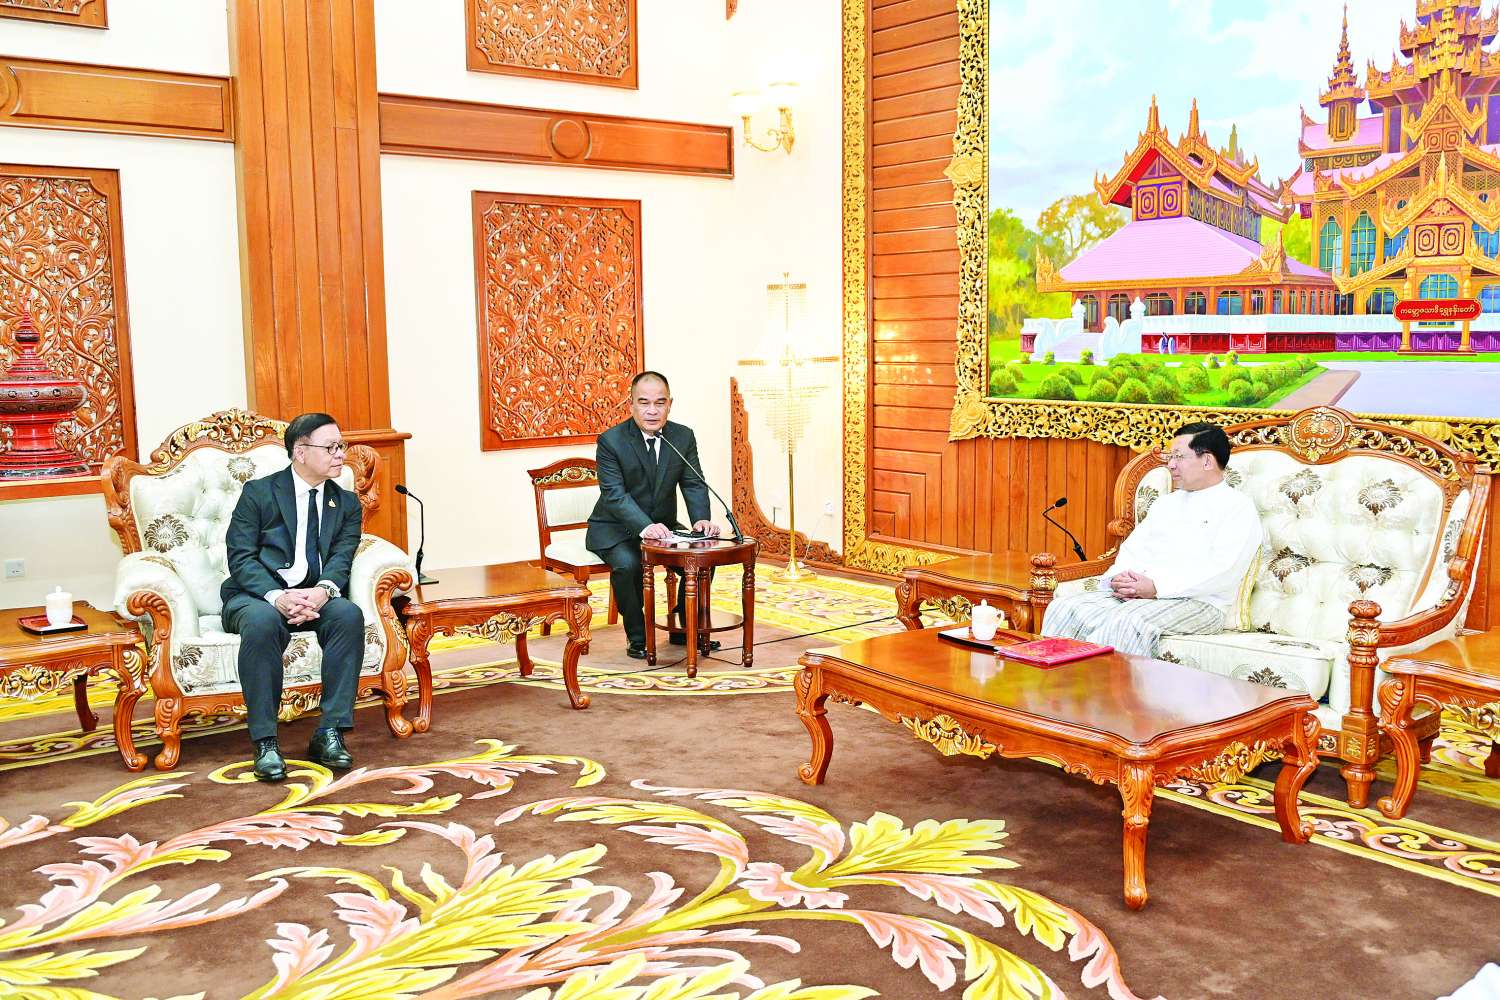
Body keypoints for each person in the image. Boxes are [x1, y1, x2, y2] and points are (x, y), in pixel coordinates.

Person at [221, 412, 365, 782]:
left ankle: (330, 732)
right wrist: (277, 597)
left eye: (341, 446)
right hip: (257, 597)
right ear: (300, 452)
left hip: (314, 596)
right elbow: (241, 558)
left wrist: (322, 593)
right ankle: (266, 742)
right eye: (330, 447)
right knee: (262, 622)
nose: (340, 454)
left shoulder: (346, 503)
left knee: (348, 615)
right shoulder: (259, 493)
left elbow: (341, 559)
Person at [1039, 421, 1264, 657]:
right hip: (1142, 596)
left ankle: (1104, 682)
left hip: (1200, 604)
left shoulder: (1237, 508)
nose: (1171, 464)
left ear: (1207, 461)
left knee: (1126, 621)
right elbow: (1132, 550)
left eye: (1179, 456)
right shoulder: (1166, 503)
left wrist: (1157, 588)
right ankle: (1057, 680)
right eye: (1170, 456)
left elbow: (1223, 571)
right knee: (1064, 608)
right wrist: (1120, 579)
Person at [586, 371, 719, 659]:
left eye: (660, 403)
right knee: (628, 565)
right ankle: (638, 635)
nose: (652, 411)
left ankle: (684, 627)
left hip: (664, 526)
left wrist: (700, 519)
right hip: (616, 529)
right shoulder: (611, 441)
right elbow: (615, 495)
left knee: (703, 557)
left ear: (670, 404)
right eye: (644, 402)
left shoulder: (682, 436)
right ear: (631, 404)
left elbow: (693, 483)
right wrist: (645, 526)